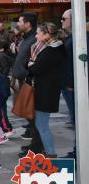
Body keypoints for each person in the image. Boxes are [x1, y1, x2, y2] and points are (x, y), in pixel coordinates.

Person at [26, 23, 66, 158]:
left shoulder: (51, 50)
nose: (36, 36)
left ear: (47, 35)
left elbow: (35, 69)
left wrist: (31, 63)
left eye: (38, 33)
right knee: (41, 124)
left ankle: (50, 153)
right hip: (48, 90)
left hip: (46, 92)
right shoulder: (56, 48)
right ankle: (48, 151)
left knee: (41, 124)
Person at [11, 12, 41, 151]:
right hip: (22, 81)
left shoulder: (34, 39)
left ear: (28, 24)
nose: (18, 23)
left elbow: (34, 62)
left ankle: (37, 148)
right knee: (27, 113)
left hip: (28, 82)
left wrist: (26, 76)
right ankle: (35, 145)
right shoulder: (26, 39)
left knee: (33, 114)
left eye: (20, 21)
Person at [61, 9, 77, 158]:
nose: (61, 21)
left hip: (71, 85)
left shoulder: (76, 39)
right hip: (68, 84)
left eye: (63, 19)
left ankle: (78, 150)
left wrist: (71, 83)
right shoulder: (71, 38)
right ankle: (77, 149)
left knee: (76, 119)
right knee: (74, 119)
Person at [0, 39, 14, 139]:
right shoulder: (5, 55)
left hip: (1, 85)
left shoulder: (0, 56)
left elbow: (2, 70)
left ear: (1, 48)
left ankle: (7, 129)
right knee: (2, 108)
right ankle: (6, 128)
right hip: (4, 85)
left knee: (1, 109)